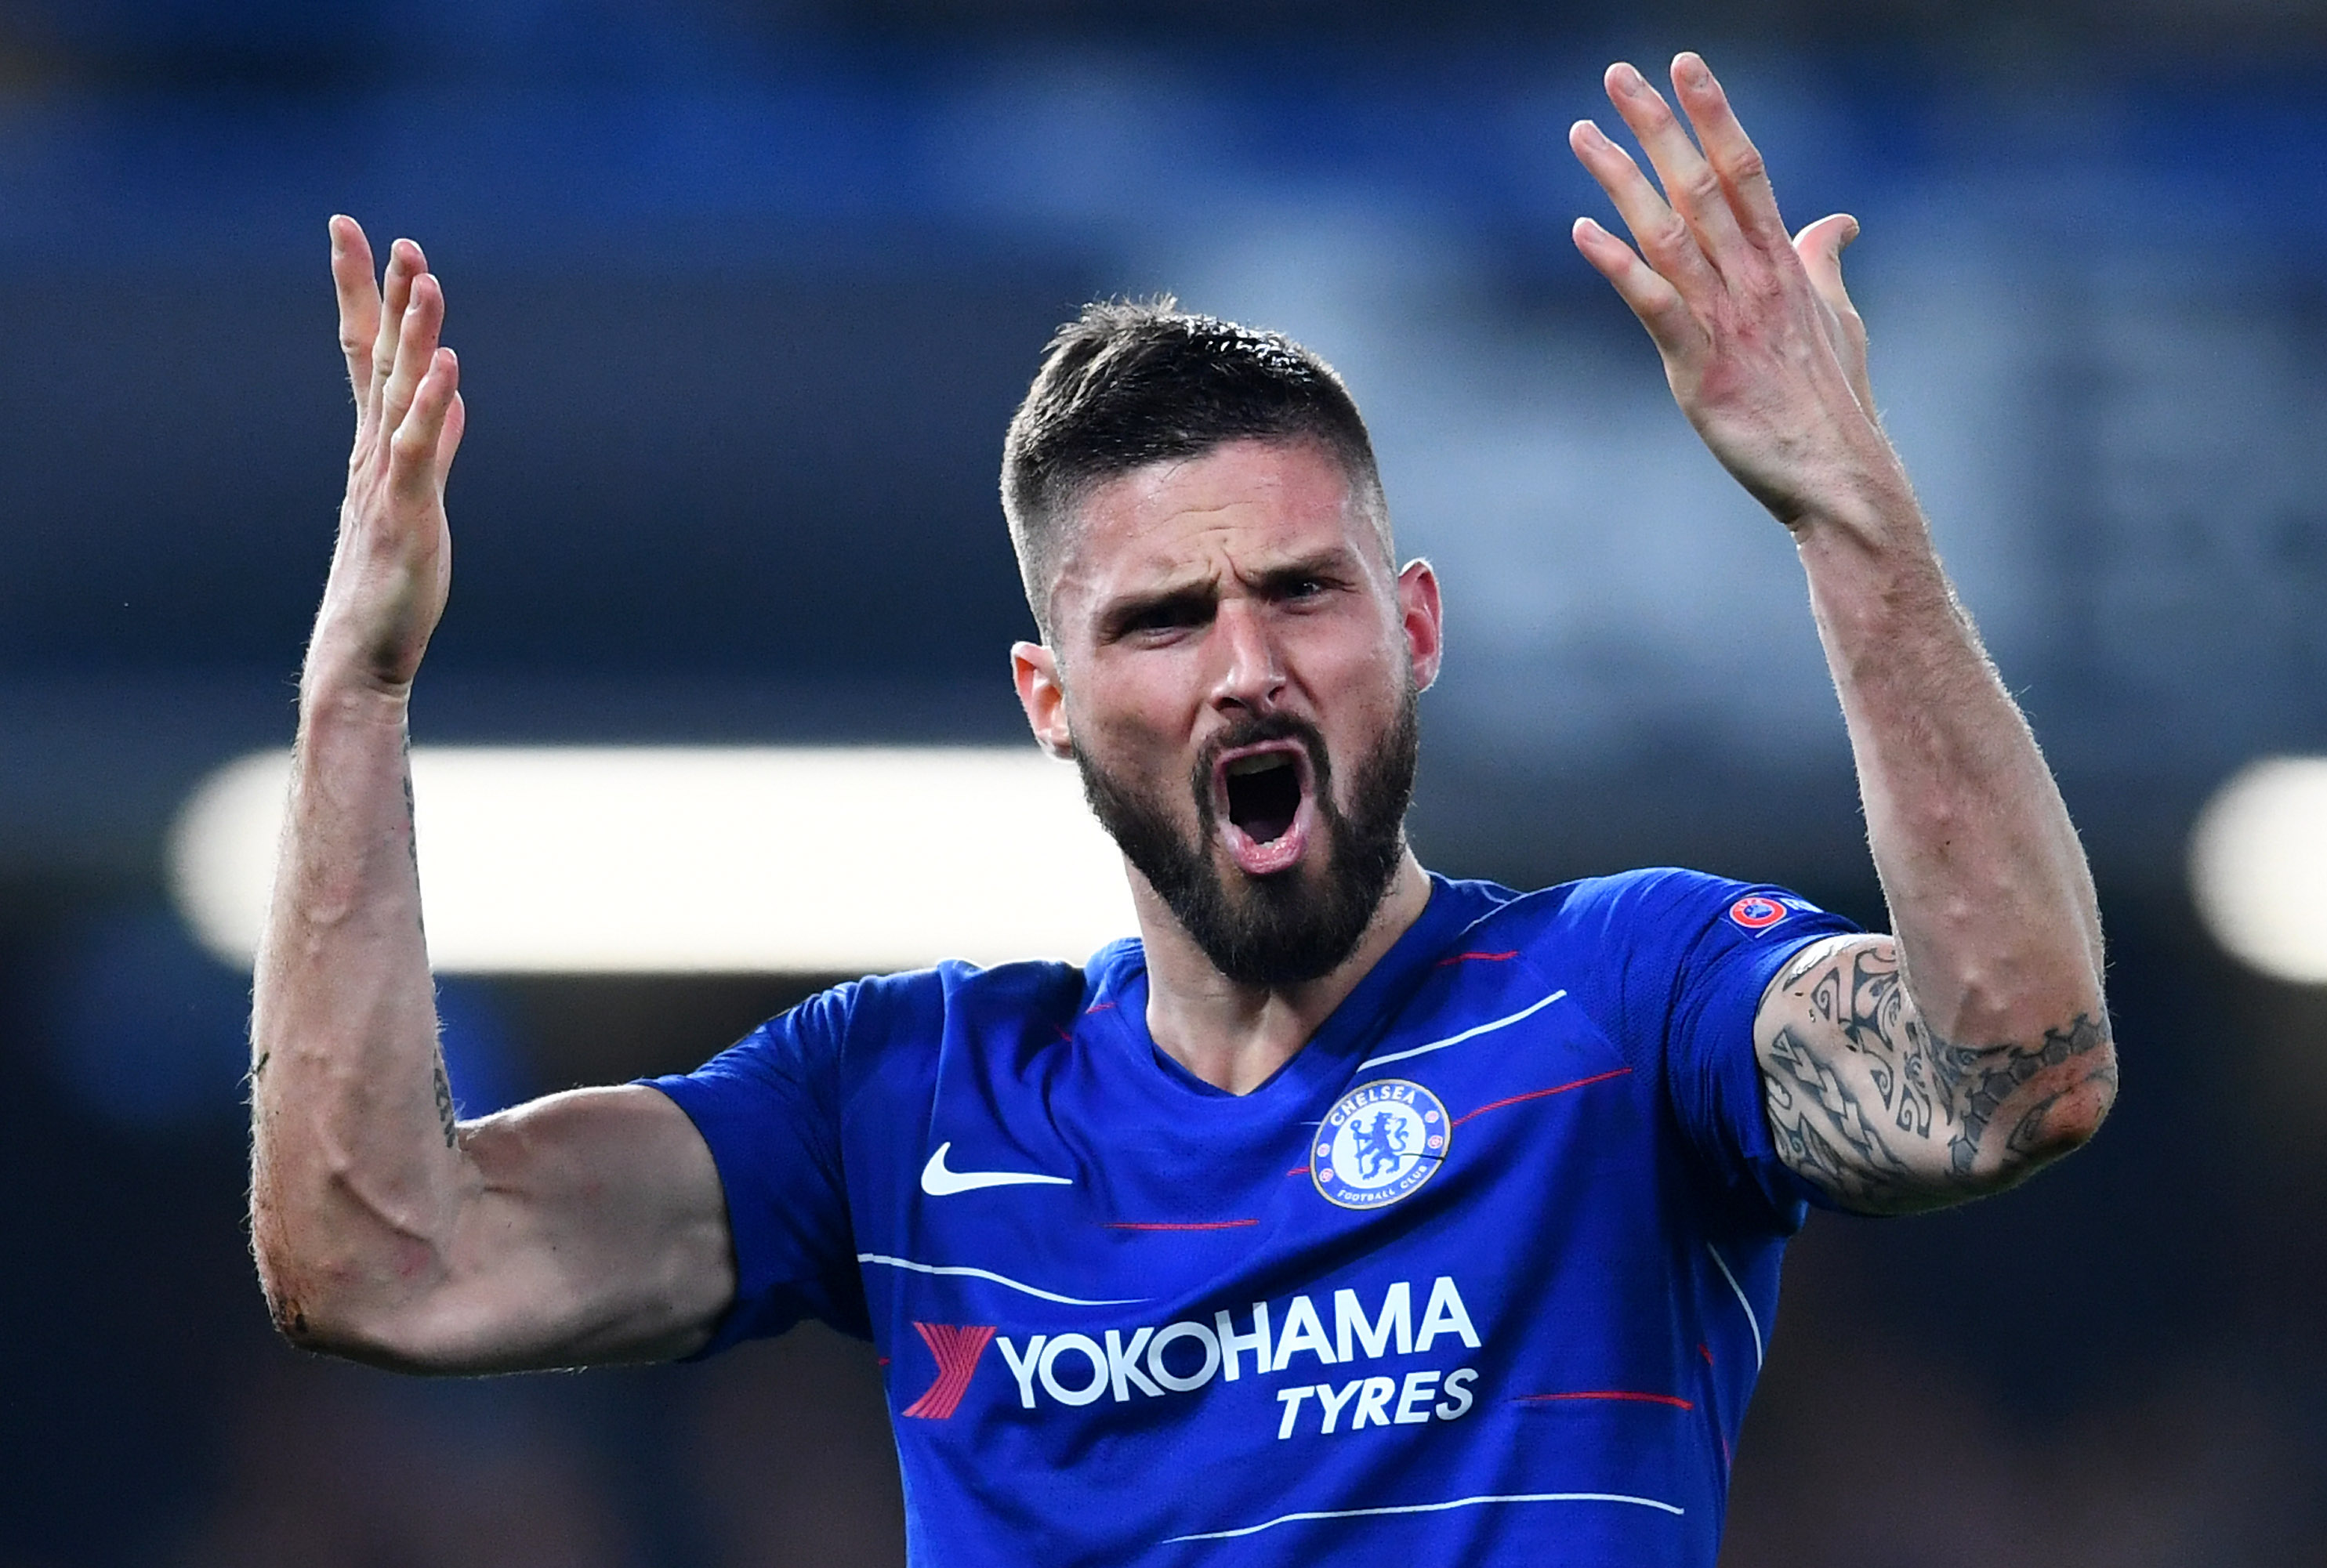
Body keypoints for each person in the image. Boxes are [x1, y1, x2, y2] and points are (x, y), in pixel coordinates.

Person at [249, 53, 2115, 1566]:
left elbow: (2017, 1064)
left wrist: (1850, 511)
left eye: (1302, 591)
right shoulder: (910, 1105)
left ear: (1414, 629)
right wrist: (357, 686)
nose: (1246, 665)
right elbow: (379, 1254)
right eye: (1161, 617)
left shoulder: (1621, 1004)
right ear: (1050, 707)